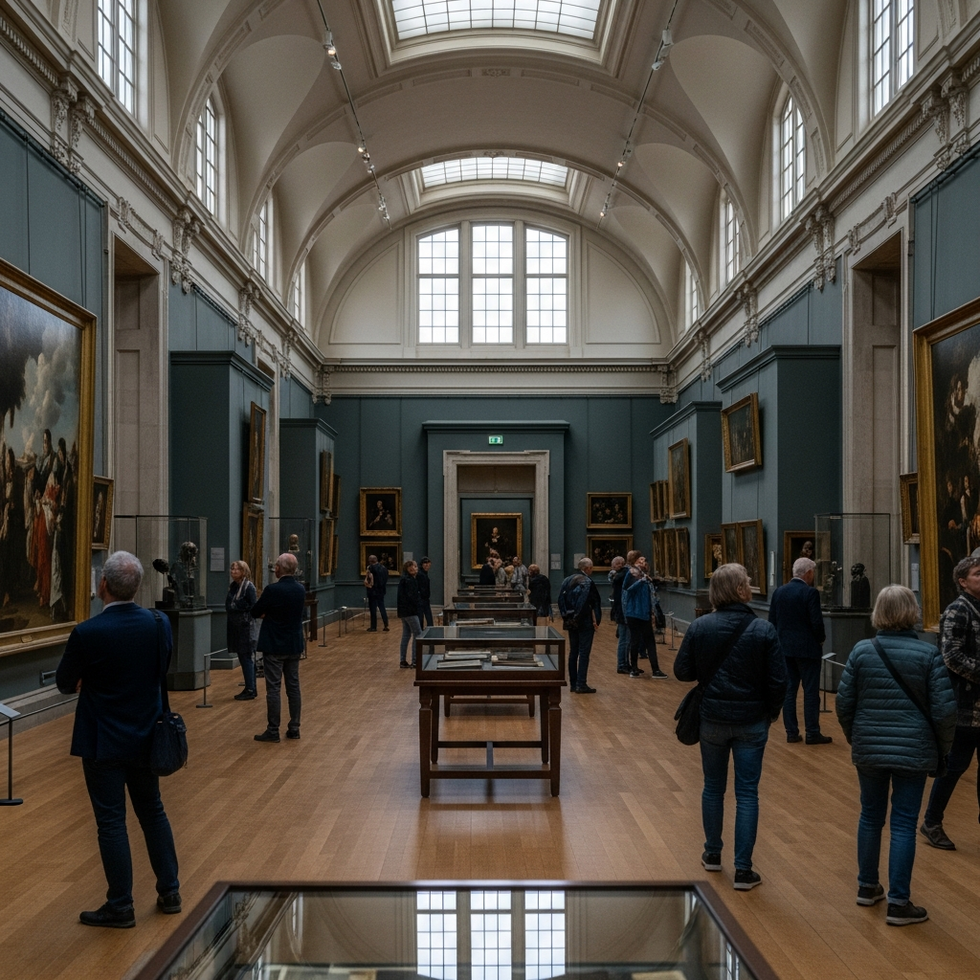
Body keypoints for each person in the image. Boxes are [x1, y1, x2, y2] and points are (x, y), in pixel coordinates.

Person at [55, 551, 181, 927]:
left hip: (103, 739)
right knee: (152, 811)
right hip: (147, 734)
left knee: (111, 821)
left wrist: (88, 679)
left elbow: (64, 682)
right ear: (136, 586)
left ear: (103, 585)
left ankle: (121, 905)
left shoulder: (88, 632)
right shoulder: (158, 623)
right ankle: (170, 891)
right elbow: (161, 667)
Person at [836, 585, 956, 925]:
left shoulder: (861, 650)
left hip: (869, 749)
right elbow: (945, 712)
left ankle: (867, 886)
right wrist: (941, 749)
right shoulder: (928, 654)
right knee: (903, 823)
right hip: (914, 749)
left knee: (870, 817)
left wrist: (857, 738)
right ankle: (899, 902)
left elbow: (844, 704)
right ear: (911, 612)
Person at [673, 563, 786, 891]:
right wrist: (771, 713)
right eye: (747, 582)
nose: (750, 586)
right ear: (739, 590)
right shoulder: (762, 629)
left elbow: (682, 671)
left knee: (713, 787)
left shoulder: (701, 626)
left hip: (712, 718)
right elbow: (778, 681)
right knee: (747, 793)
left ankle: (712, 853)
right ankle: (743, 870)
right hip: (751, 720)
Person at [920, 556, 980, 851]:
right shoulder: (958, 609)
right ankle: (932, 821)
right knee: (954, 766)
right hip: (965, 706)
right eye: (978, 574)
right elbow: (951, 656)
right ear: (963, 581)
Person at [768, 556, 831, 744]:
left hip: (785, 649)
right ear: (808, 573)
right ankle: (812, 732)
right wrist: (820, 640)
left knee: (789, 691)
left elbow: (772, 622)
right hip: (808, 650)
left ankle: (791, 732)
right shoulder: (810, 593)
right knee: (810, 692)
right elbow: (816, 622)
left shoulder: (779, 592)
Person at [252, 553, 306, 742]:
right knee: (293, 687)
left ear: (279, 569)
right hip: (293, 644)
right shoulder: (300, 589)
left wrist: (268, 614)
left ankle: (273, 730)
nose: (274, 568)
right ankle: (294, 728)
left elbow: (255, 611)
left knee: (273, 689)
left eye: (276, 565)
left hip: (274, 644)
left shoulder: (272, 590)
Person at [557, 557, 602, 693]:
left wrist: (566, 617)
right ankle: (581, 684)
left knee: (573, 652)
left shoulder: (567, 580)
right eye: (591, 568)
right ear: (587, 568)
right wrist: (596, 621)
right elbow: (594, 602)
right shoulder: (588, 582)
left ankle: (573, 683)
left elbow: (560, 600)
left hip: (571, 620)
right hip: (584, 621)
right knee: (584, 653)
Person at [622, 556, 667, 678]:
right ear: (635, 562)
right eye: (640, 560)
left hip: (644, 614)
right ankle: (635, 669)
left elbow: (650, 597)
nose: (643, 562)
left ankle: (654, 670)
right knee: (636, 641)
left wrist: (652, 613)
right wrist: (641, 581)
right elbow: (627, 589)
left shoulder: (645, 577)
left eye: (645, 560)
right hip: (633, 613)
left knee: (648, 641)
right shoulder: (631, 574)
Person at [226, 560, 258, 700]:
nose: (233, 571)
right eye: (232, 569)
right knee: (243, 657)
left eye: (237, 569)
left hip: (246, 627)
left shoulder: (248, 587)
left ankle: (250, 689)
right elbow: (229, 605)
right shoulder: (233, 586)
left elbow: (252, 607)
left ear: (243, 572)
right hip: (235, 626)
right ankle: (250, 687)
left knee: (246, 658)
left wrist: (238, 606)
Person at [397, 559, 423, 668]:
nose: (415, 569)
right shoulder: (410, 581)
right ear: (408, 569)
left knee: (406, 635)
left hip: (404, 611)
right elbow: (412, 597)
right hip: (410, 611)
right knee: (418, 634)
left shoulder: (403, 579)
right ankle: (415, 661)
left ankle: (403, 660)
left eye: (415, 567)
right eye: (413, 567)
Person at [608, 556, 630, 674]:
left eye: (621, 563)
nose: (620, 565)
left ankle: (626, 663)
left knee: (627, 639)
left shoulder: (619, 575)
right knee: (624, 639)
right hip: (622, 611)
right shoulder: (619, 575)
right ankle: (622, 664)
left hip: (621, 610)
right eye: (617, 564)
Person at [365, 554, 390, 632]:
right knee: (382, 607)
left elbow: (369, 580)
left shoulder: (371, 568)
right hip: (381, 591)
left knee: (373, 609)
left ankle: (373, 627)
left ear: (370, 561)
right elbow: (386, 579)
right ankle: (386, 625)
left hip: (373, 591)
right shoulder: (384, 568)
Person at [418, 556, 434, 628]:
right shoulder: (421, 574)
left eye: (428, 565)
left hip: (424, 598)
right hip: (422, 598)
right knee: (423, 617)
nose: (427, 566)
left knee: (425, 617)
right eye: (425, 564)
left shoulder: (423, 573)